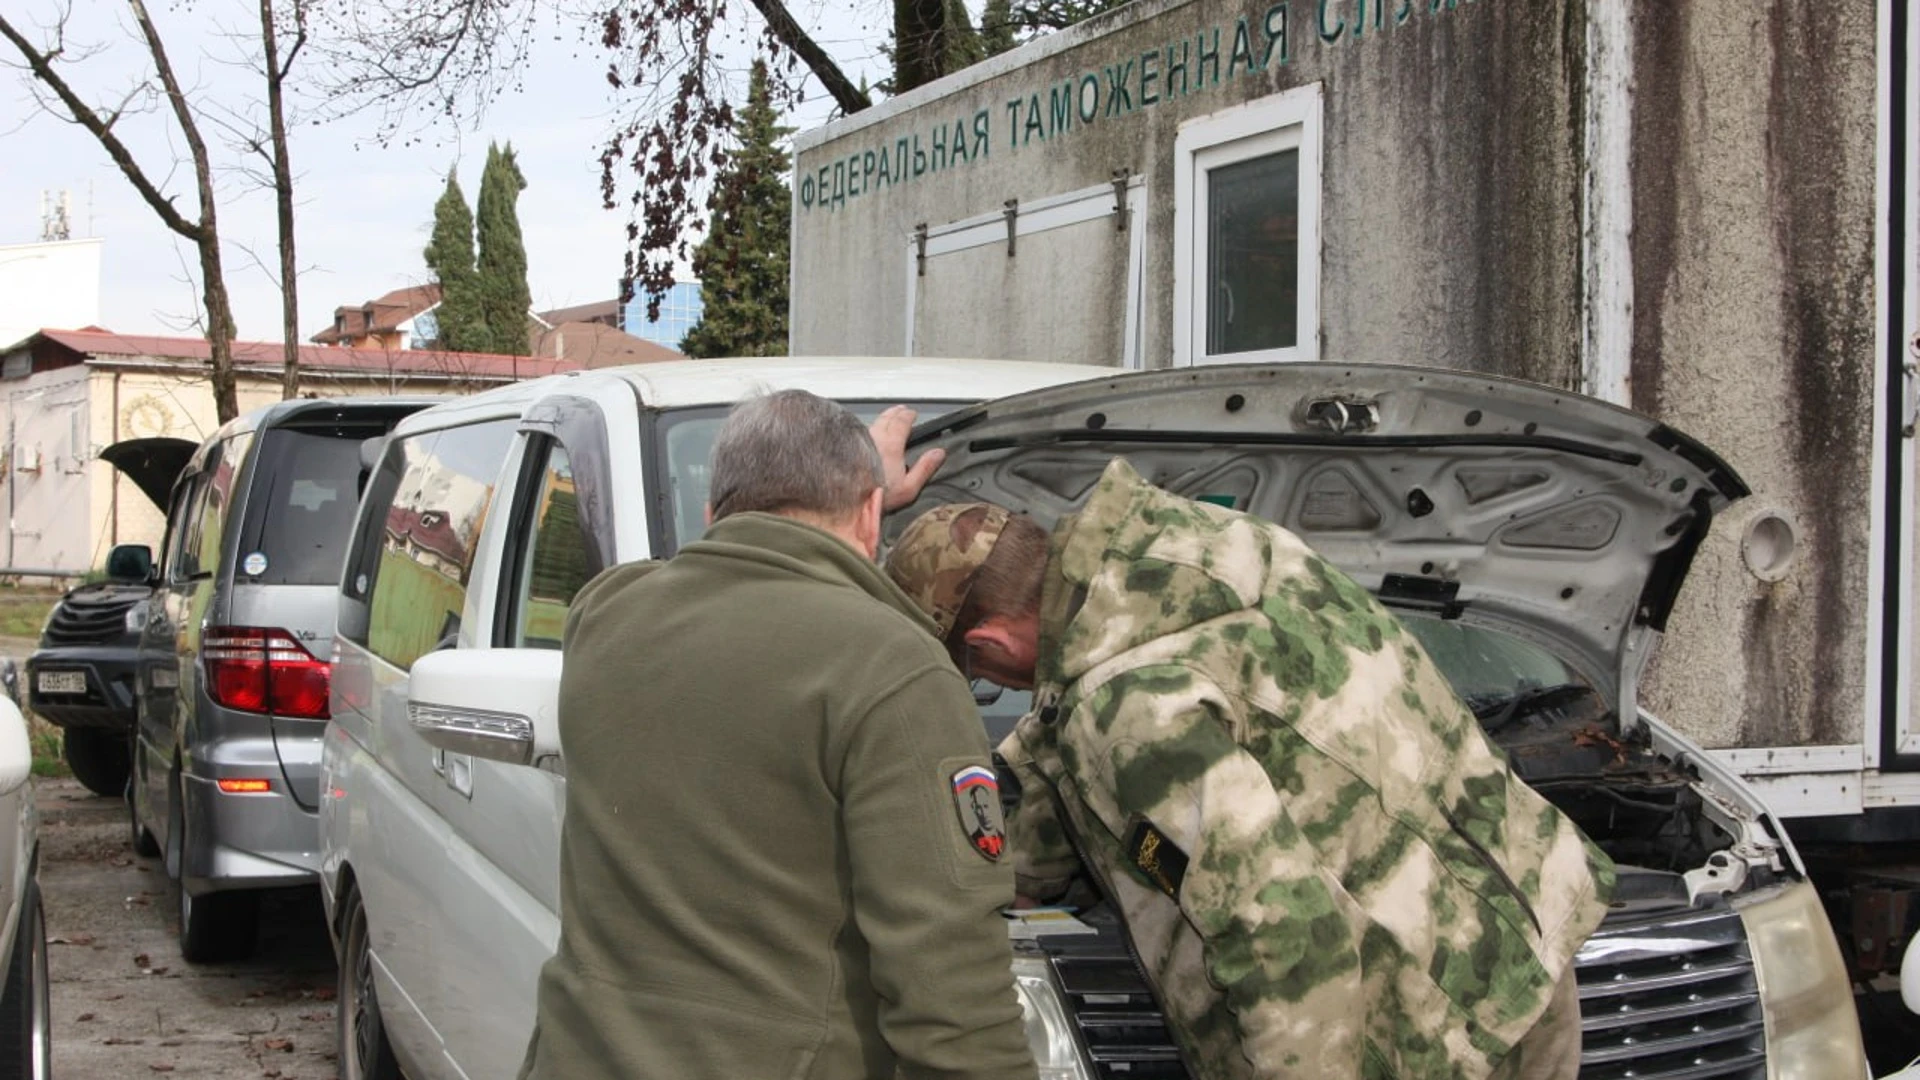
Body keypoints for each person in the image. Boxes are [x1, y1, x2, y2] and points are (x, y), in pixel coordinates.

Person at [884, 457, 1615, 1080]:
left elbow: (1284, 937)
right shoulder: (1201, 548)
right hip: (1522, 939)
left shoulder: (1130, 712)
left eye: (975, 672)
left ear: (988, 642)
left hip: (1427, 1037)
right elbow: (1072, 728)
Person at [518, 392, 1037, 1080]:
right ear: (872, 511)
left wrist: (856, 507)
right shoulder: (894, 669)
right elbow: (948, 987)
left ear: (713, 515)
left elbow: (722, 585)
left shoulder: (606, 617)